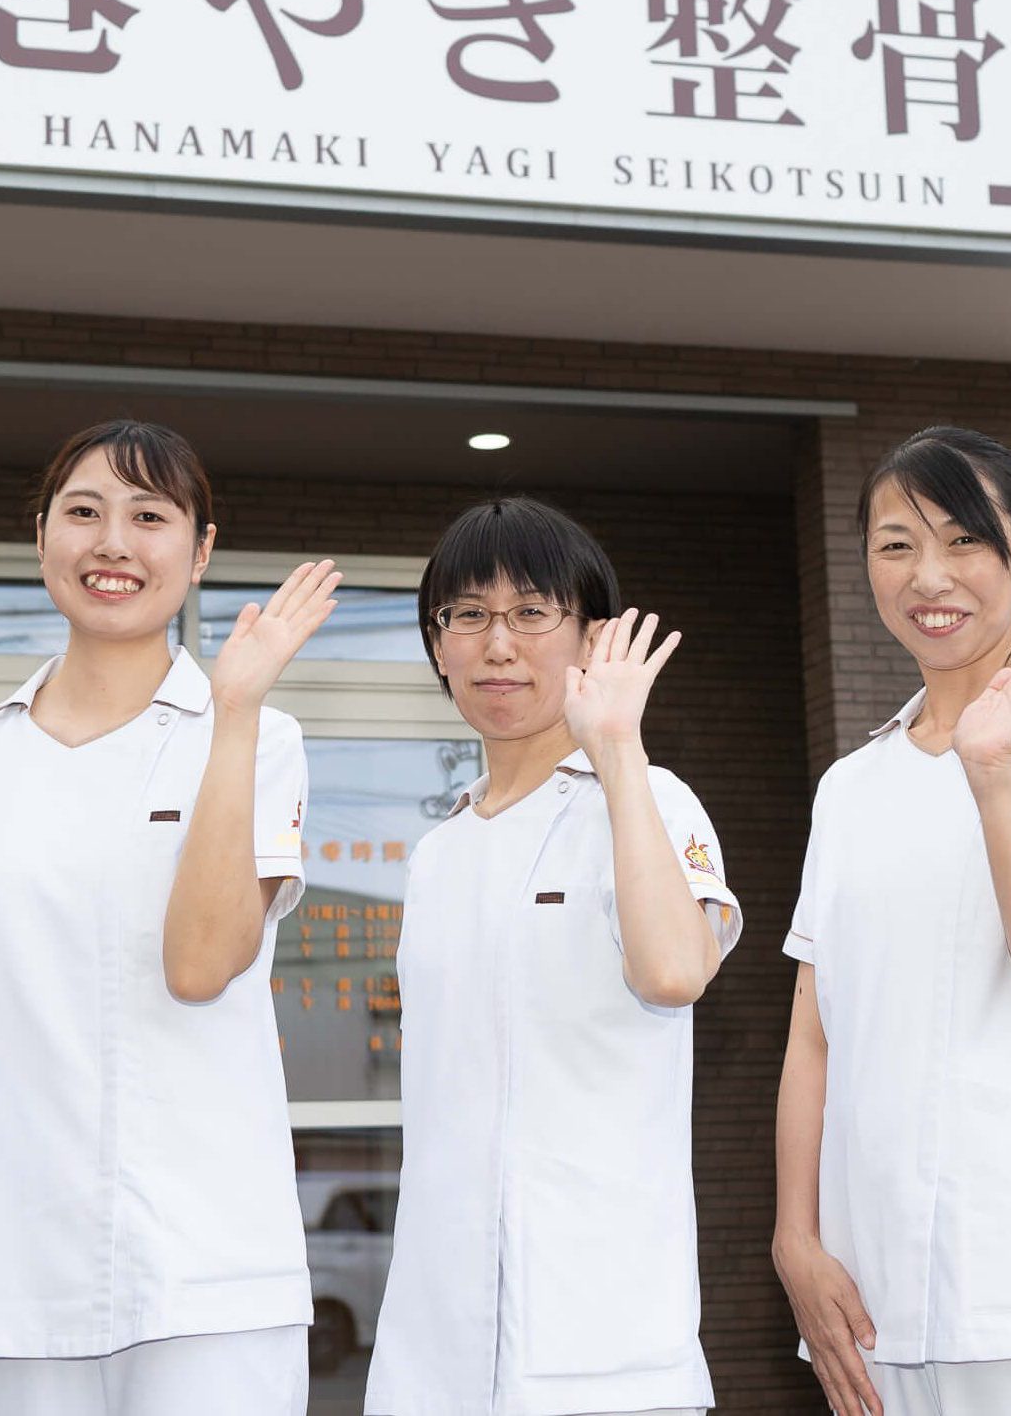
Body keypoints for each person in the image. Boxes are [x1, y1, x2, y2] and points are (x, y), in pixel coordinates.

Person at [0, 419, 330, 1416]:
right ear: (41, 537)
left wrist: (238, 713)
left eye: (149, 516)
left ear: (201, 548)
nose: (112, 543)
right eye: (83, 513)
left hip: (208, 1279)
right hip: (6, 1276)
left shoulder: (257, 734)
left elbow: (203, 961)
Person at [773, 426, 1011, 1416]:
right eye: (896, 544)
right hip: (870, 1301)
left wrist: (993, 775)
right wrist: (794, 1236)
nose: (927, 576)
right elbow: (815, 1029)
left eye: (962, 540)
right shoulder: (850, 785)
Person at [365, 495, 740, 1416]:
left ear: (591, 639)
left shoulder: (649, 801)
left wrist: (614, 747)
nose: (499, 645)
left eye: (532, 613)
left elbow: (674, 972)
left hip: (605, 1342)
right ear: (436, 642)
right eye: (468, 615)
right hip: (436, 1348)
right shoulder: (439, 850)